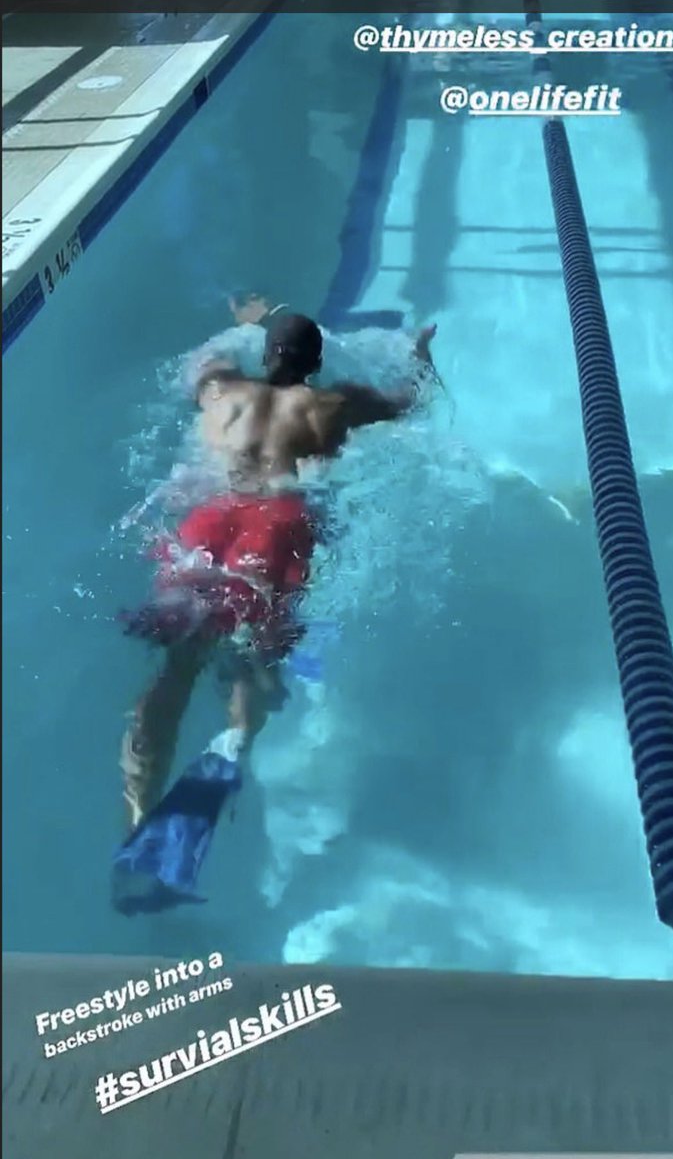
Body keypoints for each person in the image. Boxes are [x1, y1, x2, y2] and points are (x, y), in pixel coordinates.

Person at [117, 297, 437, 884]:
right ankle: (235, 741)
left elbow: (201, 362)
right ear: (314, 364)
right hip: (278, 523)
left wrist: (242, 326)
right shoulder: (332, 403)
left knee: (176, 665)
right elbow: (411, 402)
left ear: (266, 356)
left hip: (210, 518)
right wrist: (419, 356)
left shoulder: (221, 392)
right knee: (253, 662)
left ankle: (140, 811)